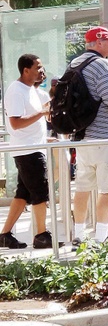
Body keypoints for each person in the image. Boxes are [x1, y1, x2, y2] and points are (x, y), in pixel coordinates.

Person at [71, 27, 108, 245]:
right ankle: (101, 237)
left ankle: (78, 234)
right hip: (104, 136)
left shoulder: (75, 63)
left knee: (83, 187)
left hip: (82, 136)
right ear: (99, 41)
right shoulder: (102, 64)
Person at [0, 54, 55, 249]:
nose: (41, 70)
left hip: (33, 147)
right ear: (25, 70)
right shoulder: (16, 91)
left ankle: (5, 234)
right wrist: (41, 112)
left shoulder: (30, 90)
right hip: (27, 151)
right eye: (37, 67)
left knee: (22, 194)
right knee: (40, 192)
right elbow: (15, 123)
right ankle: (41, 234)